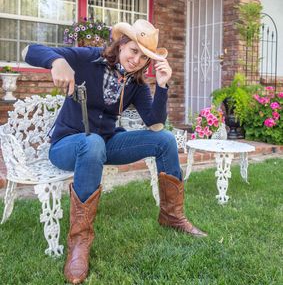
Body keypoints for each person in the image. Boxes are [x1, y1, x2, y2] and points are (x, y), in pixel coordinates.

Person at [23, 19, 207, 284]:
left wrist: (163, 86)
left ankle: (172, 216)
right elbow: (29, 51)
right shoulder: (88, 58)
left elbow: (154, 122)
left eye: (144, 57)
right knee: (93, 143)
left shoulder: (137, 84)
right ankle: (79, 242)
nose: (136, 59)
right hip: (67, 144)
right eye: (133, 50)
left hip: (105, 144)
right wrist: (57, 61)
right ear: (121, 44)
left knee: (165, 139)